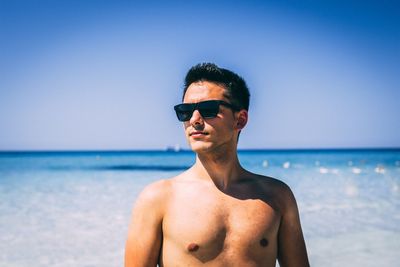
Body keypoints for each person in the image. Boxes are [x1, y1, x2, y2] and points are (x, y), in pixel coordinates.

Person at [125, 63, 309, 266]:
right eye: (185, 111)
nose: (194, 120)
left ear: (240, 120)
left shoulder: (277, 196)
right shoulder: (158, 199)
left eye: (208, 109)